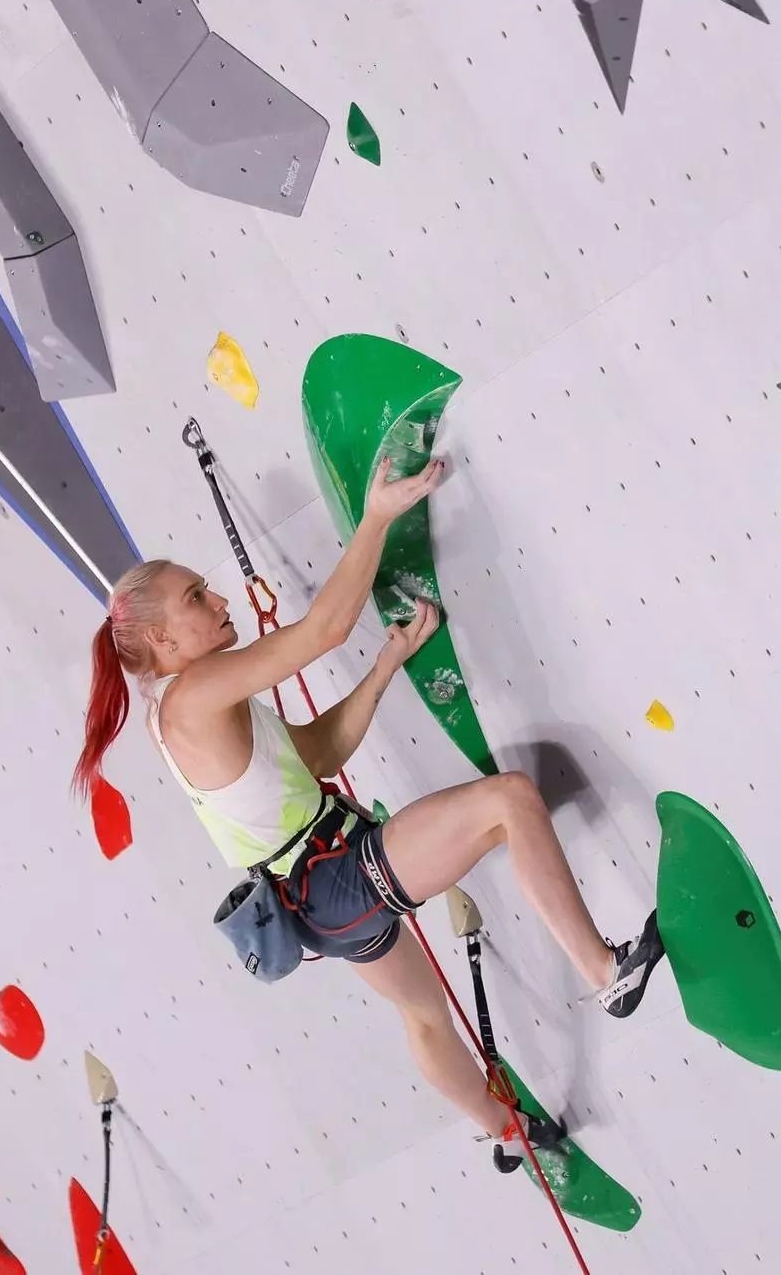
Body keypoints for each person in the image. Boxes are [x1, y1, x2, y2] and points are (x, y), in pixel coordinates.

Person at [72, 454, 664, 1161]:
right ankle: (606, 974)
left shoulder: (184, 710)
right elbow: (323, 630)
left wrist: (385, 664)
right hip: (334, 874)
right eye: (197, 597)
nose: (220, 600)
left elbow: (318, 755)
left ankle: (505, 1134)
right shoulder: (193, 697)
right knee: (510, 801)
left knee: (424, 1013)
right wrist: (377, 517)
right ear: (163, 640)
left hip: (315, 898)